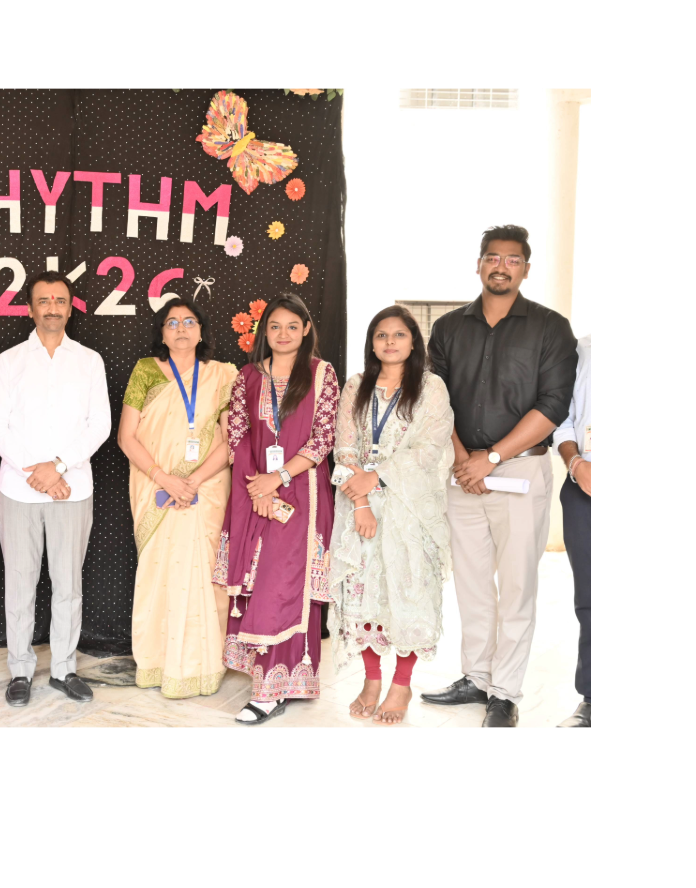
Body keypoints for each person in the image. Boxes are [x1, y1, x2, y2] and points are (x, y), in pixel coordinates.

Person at [422, 225, 577, 728]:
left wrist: (490, 458)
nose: (501, 266)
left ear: (525, 269)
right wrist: (463, 458)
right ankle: (476, 677)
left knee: (516, 586)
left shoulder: (551, 328)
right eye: (493, 257)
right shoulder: (449, 328)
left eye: (513, 259)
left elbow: (553, 406)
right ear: (479, 264)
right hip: (461, 471)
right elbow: (435, 399)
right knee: (470, 584)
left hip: (521, 470)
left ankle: (504, 693)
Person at [0, 273, 112, 707]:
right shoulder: (10, 361)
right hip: (18, 491)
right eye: (44, 300)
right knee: (20, 585)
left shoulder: (89, 361)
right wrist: (34, 472)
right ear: (30, 308)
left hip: (71, 490)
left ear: (70, 308)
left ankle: (63, 669)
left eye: (60, 300)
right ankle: (20, 670)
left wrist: (56, 468)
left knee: (68, 585)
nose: (52, 307)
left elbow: (100, 425)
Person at [329, 306, 454, 726]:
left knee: (409, 592)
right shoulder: (356, 385)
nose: (390, 342)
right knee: (363, 591)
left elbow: (429, 449)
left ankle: (401, 683)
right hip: (360, 507)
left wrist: (377, 476)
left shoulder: (431, 387)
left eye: (399, 334)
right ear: (372, 343)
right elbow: (344, 447)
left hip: (410, 508)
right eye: (381, 335)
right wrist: (362, 502)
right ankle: (371, 680)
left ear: (414, 341)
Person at [217, 293, 339, 725]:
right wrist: (259, 489)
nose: (283, 334)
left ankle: (272, 689)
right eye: (274, 326)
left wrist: (279, 477)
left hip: (303, 493)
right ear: (263, 332)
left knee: (287, 584)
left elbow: (324, 437)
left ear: (306, 329)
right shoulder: (248, 376)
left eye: (292, 326)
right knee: (260, 581)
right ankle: (277, 678)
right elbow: (238, 436)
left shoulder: (321, 373)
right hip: (255, 494)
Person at [118, 300, 237, 699]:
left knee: (204, 573)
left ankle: (203, 666)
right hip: (155, 486)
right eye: (172, 323)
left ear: (201, 330)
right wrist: (166, 479)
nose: (181, 329)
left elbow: (232, 440)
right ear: (162, 332)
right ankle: (158, 663)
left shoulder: (222, 374)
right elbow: (126, 437)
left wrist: (193, 481)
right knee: (159, 571)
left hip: (206, 488)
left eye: (189, 322)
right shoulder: (146, 370)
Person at [554, 333, 591, 728]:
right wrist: (577, 465)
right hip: (584, 487)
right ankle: (592, 698)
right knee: (590, 598)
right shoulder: (579, 350)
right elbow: (562, 419)